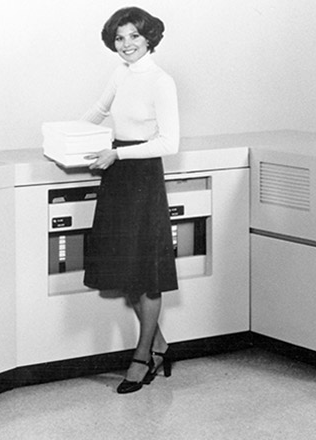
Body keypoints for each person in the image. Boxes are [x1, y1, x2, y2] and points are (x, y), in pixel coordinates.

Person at [80, 6, 179, 395]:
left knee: (146, 277)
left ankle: (142, 358)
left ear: (149, 37)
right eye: (120, 38)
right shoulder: (120, 73)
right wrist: (64, 137)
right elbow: (99, 111)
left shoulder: (161, 81)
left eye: (134, 36)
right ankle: (159, 346)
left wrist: (117, 154)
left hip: (141, 177)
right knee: (126, 273)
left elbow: (169, 144)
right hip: (117, 177)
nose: (126, 45)